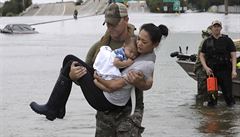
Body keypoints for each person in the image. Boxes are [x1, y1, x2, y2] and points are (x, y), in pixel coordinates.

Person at [199, 20, 237, 107]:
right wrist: (206, 68)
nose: (216, 28)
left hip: (225, 71)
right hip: (211, 72)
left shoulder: (227, 40)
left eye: (218, 26)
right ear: (211, 28)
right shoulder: (207, 41)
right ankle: (213, 117)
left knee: (229, 97)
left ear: (221, 28)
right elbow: (201, 55)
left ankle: (230, 116)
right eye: (214, 26)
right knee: (212, 98)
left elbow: (233, 55)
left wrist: (234, 70)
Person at [194, 26, 212, 104]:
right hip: (201, 69)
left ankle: (202, 108)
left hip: (204, 69)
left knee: (207, 92)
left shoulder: (209, 41)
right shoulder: (206, 41)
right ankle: (200, 108)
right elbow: (202, 57)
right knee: (202, 92)